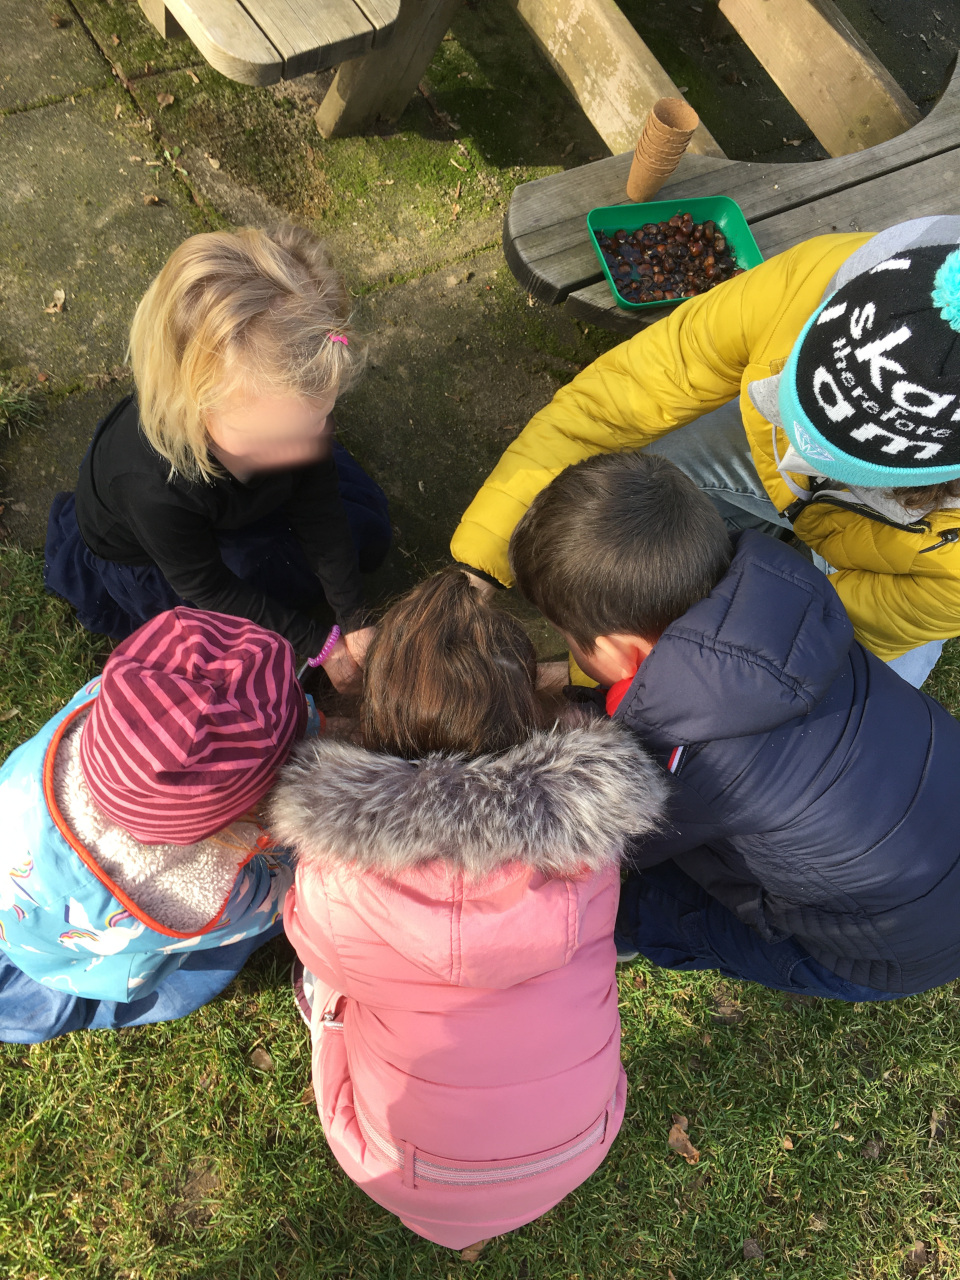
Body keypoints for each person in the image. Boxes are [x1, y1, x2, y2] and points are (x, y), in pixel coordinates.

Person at [268, 569, 667, 1249]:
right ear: (529, 702)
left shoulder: (335, 873)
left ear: (375, 706)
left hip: (396, 1167)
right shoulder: (591, 849)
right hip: (577, 1146)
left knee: (329, 985)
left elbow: (310, 939)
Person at [509, 450, 960, 1001]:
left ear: (620, 651)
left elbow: (608, 840)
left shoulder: (690, 760)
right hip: (931, 826)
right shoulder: (789, 594)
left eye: (572, 641)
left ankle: (633, 934)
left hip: (884, 952)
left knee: (669, 907)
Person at [452, 216, 960, 687]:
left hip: (911, 564)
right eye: (792, 410)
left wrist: (581, 680)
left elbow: (805, 634)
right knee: (626, 508)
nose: (794, 462)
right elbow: (621, 396)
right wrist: (474, 573)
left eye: (839, 457)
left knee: (853, 682)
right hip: (849, 510)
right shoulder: (818, 280)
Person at [45, 225, 391, 691]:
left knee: (363, 528)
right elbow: (208, 587)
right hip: (166, 551)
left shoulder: (275, 422)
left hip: (240, 497)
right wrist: (316, 642)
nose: (306, 444)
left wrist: (354, 614)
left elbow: (319, 499)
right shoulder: (150, 487)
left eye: (321, 417)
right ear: (195, 404)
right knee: (239, 644)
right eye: (280, 432)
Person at [0, 607, 310, 1043]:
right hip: (83, 944)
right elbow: (277, 899)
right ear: (232, 816)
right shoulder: (190, 898)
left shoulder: (107, 705)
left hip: (19, 866)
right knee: (187, 979)